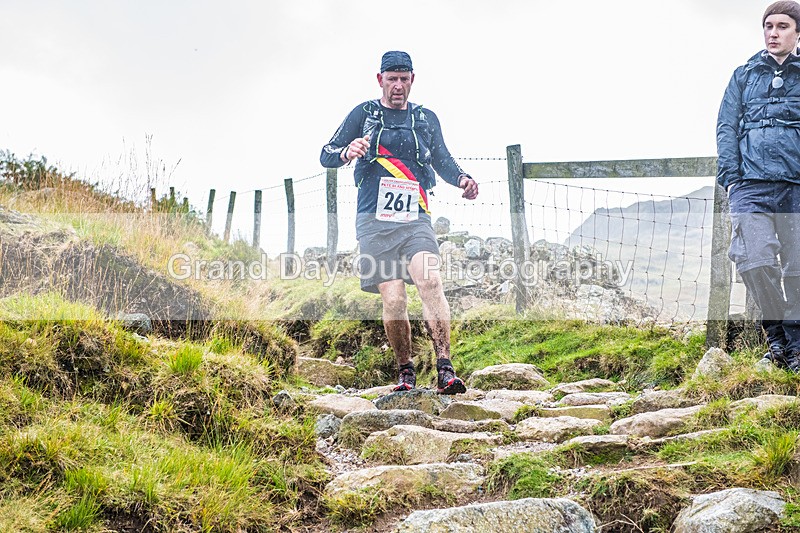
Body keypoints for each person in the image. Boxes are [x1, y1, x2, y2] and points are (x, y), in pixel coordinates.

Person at [320, 51, 479, 393]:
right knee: (393, 300)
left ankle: (444, 369)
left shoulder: (424, 118)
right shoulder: (364, 114)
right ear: (380, 80)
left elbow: (443, 159)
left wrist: (463, 178)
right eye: (391, 78)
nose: (397, 85)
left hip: (415, 217)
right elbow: (326, 153)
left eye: (403, 79)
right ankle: (405, 371)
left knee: (431, 282)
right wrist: (347, 152)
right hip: (373, 221)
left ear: (412, 80)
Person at [717, 1, 800, 371]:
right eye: (768, 26)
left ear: (797, 33)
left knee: (797, 268)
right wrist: (732, 179)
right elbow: (726, 127)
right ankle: (779, 338)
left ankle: (795, 349)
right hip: (751, 185)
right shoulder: (744, 76)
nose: (773, 32)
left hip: (796, 185)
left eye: (782, 26)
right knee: (755, 260)